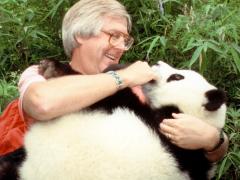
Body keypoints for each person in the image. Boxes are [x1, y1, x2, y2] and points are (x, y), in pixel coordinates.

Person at [3, 0, 228, 162]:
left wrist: (212, 140)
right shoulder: (42, 74)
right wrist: (123, 77)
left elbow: (206, 152)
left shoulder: (141, 89)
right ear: (80, 34)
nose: (121, 46)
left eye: (125, 39)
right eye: (114, 35)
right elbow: (43, 103)